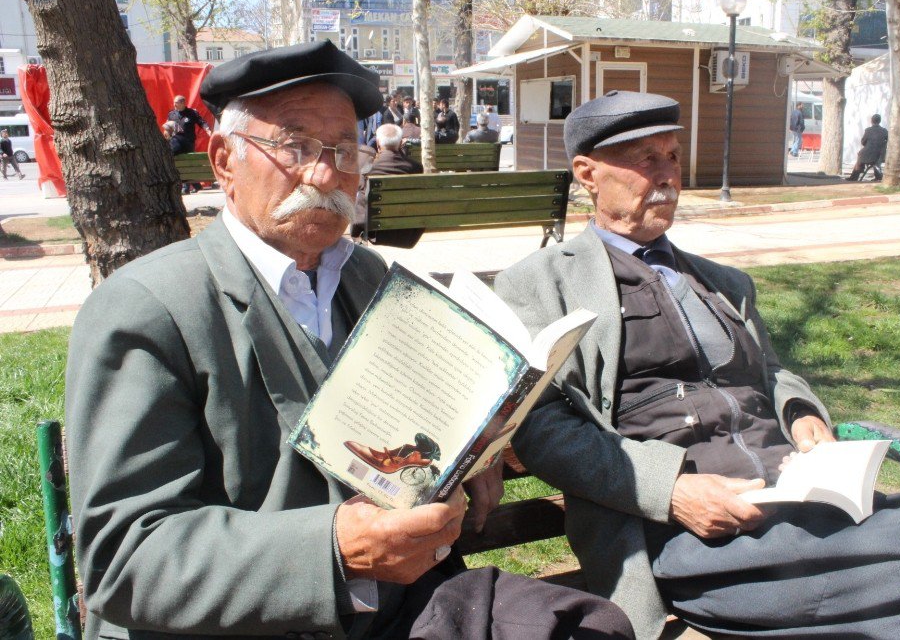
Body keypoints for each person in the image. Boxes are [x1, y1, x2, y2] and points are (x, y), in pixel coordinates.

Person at [65, 40, 634, 640]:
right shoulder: (146, 310)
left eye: (343, 149)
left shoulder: (375, 280)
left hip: (406, 606)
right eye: (294, 145)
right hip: (250, 627)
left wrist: (476, 454)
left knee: (594, 629)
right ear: (224, 160)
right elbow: (120, 560)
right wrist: (335, 548)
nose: (325, 172)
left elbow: (416, 432)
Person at [493, 90, 900, 640]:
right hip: (693, 533)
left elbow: (772, 370)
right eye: (646, 160)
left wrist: (801, 409)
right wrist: (673, 492)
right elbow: (542, 427)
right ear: (588, 174)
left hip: (799, 499)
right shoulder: (539, 284)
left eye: (673, 156)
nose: (667, 176)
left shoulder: (723, 281)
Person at [167, 94, 212, 194]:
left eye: (176, 103)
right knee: (177, 158)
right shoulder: (171, 114)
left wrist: (208, 130)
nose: (174, 104)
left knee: (188, 163)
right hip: (176, 140)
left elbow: (201, 122)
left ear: (183, 103)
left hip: (188, 142)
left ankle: (192, 186)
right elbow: (168, 127)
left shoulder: (191, 113)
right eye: (174, 102)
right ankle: (187, 187)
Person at [846, 113, 889, 181]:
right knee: (863, 156)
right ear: (879, 121)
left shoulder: (868, 130)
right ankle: (876, 176)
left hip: (867, 154)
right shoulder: (884, 131)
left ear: (871, 121)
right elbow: (889, 140)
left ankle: (855, 175)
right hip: (880, 155)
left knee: (860, 155)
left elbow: (863, 142)